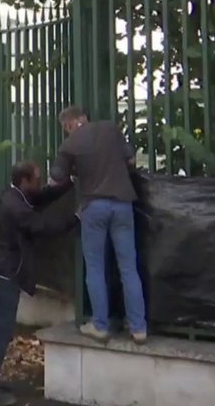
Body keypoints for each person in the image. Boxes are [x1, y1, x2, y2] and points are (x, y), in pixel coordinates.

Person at [0, 161, 77, 406]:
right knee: (1, 330)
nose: (40, 183)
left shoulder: (16, 196)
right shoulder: (15, 206)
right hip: (5, 272)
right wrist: (74, 218)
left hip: (2, 269)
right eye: (36, 179)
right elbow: (41, 225)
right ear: (24, 180)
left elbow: (40, 197)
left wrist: (68, 184)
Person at [51, 105, 147, 346]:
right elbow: (131, 159)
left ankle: (100, 325)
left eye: (67, 126)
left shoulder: (69, 145)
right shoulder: (110, 129)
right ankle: (138, 328)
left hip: (94, 206)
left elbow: (56, 178)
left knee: (95, 267)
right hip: (123, 204)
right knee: (128, 267)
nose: (68, 131)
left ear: (75, 121)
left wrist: (75, 170)